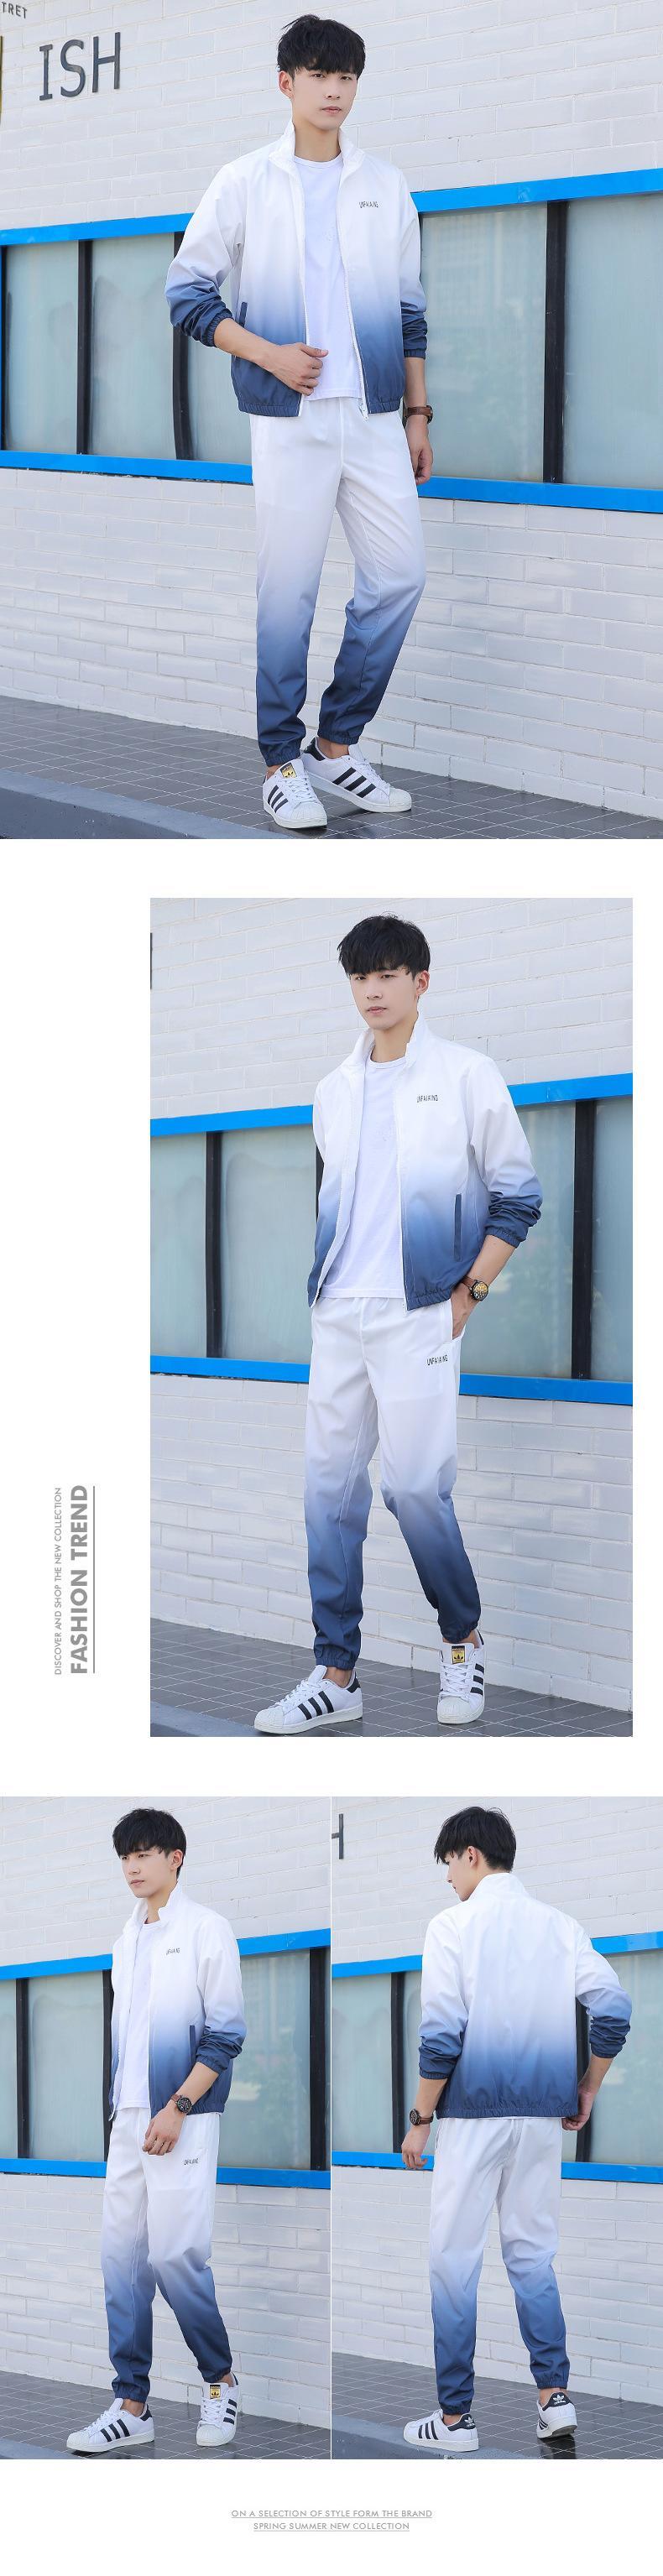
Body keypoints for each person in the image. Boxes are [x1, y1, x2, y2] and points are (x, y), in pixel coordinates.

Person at [254, 913, 541, 1734]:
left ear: (421, 981)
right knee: (328, 1494)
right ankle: (335, 1672)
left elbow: (518, 1198)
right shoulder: (332, 1091)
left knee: (414, 1489)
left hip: (418, 1315)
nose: (372, 991)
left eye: (387, 975)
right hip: (338, 1312)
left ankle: (462, 1640)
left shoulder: (466, 1075)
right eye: (359, 977)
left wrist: (467, 1296)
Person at [164, 17, 432, 833]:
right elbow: (186, 294)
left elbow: (409, 312)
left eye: (346, 77)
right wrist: (269, 354)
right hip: (289, 421)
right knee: (288, 593)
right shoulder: (245, 180)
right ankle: (281, 764)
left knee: (399, 577)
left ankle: (335, 745)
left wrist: (418, 413)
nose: (334, 91)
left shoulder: (385, 184)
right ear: (286, 83)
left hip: (374, 417)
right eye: (319, 75)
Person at [401, 1806, 632, 2453]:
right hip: (540, 2122)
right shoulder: (560, 1926)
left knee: (454, 2261)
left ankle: (455, 2421)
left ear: (472, 1854)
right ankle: (554, 2400)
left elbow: (441, 2035)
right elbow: (615, 2010)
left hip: (473, 2120)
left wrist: (419, 2120)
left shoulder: (450, 1926)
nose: (448, 1877)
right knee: (532, 2258)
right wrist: (588, 2086)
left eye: (449, 1862)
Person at [67, 1808, 246, 2455]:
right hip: (128, 2120)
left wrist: (177, 2106)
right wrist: (125, 2114)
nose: (132, 1867)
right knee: (120, 2260)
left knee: (176, 2258)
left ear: (176, 1858)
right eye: (125, 1856)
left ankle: (221, 2382)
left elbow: (226, 2033)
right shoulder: (126, 1939)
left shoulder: (206, 1929)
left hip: (182, 2117)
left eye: (143, 1854)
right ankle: (131, 2404)